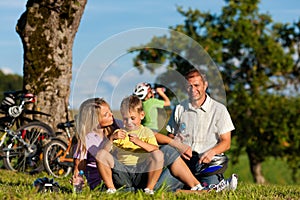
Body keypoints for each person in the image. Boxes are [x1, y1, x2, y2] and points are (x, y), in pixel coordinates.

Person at [166, 68, 238, 191]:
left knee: (209, 188)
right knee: (159, 188)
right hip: (181, 164)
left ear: (205, 85)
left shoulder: (219, 110)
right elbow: (170, 136)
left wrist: (212, 152)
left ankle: (200, 190)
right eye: (189, 86)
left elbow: (226, 142)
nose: (193, 90)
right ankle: (203, 191)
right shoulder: (179, 108)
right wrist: (178, 146)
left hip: (207, 165)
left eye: (196, 85)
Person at [72, 98, 122, 191]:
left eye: (110, 111)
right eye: (106, 115)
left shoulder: (112, 130)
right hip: (100, 182)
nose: (111, 115)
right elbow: (79, 168)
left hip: (116, 174)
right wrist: (78, 186)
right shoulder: (85, 140)